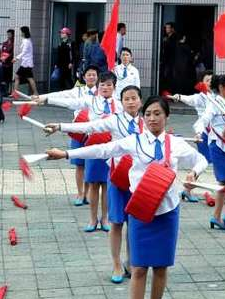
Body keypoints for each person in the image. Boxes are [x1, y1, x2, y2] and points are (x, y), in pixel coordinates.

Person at [46, 96, 207, 299]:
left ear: (167, 116)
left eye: (157, 114)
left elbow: (200, 159)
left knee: (161, 268)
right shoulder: (134, 141)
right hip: (140, 210)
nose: (152, 119)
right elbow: (102, 149)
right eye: (148, 114)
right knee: (138, 269)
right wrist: (66, 154)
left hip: (167, 212)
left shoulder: (176, 143)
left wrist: (194, 173)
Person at [44, 85, 143, 284]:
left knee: (135, 223)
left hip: (138, 182)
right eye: (127, 99)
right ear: (121, 102)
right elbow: (88, 127)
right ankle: (116, 263)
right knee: (116, 222)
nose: (131, 102)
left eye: (134, 98)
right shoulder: (114, 120)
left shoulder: (146, 123)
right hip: (117, 177)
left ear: (140, 101)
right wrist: (61, 126)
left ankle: (131, 261)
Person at [40, 72, 123, 232]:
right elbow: (70, 103)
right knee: (93, 185)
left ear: (114, 87)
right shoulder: (90, 101)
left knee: (106, 185)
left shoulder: (119, 105)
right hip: (92, 147)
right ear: (98, 86)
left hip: (111, 149)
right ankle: (92, 219)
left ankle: (105, 218)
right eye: (103, 84)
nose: (105, 87)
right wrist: (47, 99)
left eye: (109, 85)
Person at [34, 65, 99, 206]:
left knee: (90, 164)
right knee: (79, 164)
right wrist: (43, 97)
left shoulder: (101, 93)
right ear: (84, 77)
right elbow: (60, 95)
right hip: (77, 130)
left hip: (93, 133)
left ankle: (87, 194)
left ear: (97, 77)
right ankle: (80, 193)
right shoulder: (78, 91)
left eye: (94, 75)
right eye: (89, 75)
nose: (92, 77)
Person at [192, 74, 225, 230]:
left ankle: (216, 217)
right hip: (218, 146)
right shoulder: (213, 104)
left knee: (223, 184)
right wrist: (199, 133)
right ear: (221, 87)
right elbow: (203, 120)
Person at [171, 70, 214, 202]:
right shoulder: (200, 97)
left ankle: (188, 189)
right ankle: (188, 189)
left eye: (212, 80)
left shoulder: (217, 96)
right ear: (202, 83)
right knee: (203, 163)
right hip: (203, 134)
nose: (210, 83)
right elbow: (188, 99)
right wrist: (178, 96)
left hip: (216, 135)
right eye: (207, 80)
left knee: (210, 163)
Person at [13, 26, 38, 95]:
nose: (20, 33)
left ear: (23, 32)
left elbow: (24, 52)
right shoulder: (27, 40)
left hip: (26, 63)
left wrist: (16, 58)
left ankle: (15, 93)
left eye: (21, 32)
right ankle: (35, 93)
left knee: (18, 77)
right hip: (26, 63)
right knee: (29, 78)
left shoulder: (27, 41)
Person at [160, 22, 177, 94]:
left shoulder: (174, 38)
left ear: (172, 29)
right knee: (166, 77)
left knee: (169, 77)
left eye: (168, 28)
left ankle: (170, 94)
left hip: (171, 61)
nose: (166, 29)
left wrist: (166, 42)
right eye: (166, 28)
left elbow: (170, 50)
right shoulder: (166, 38)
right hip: (166, 61)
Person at [1, 29, 14, 95]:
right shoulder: (5, 43)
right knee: (4, 78)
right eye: (8, 34)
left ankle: (10, 90)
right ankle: (5, 90)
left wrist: (7, 57)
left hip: (10, 63)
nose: (8, 36)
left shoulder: (14, 43)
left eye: (10, 34)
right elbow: (2, 52)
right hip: (4, 63)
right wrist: (2, 58)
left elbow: (12, 53)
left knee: (9, 78)